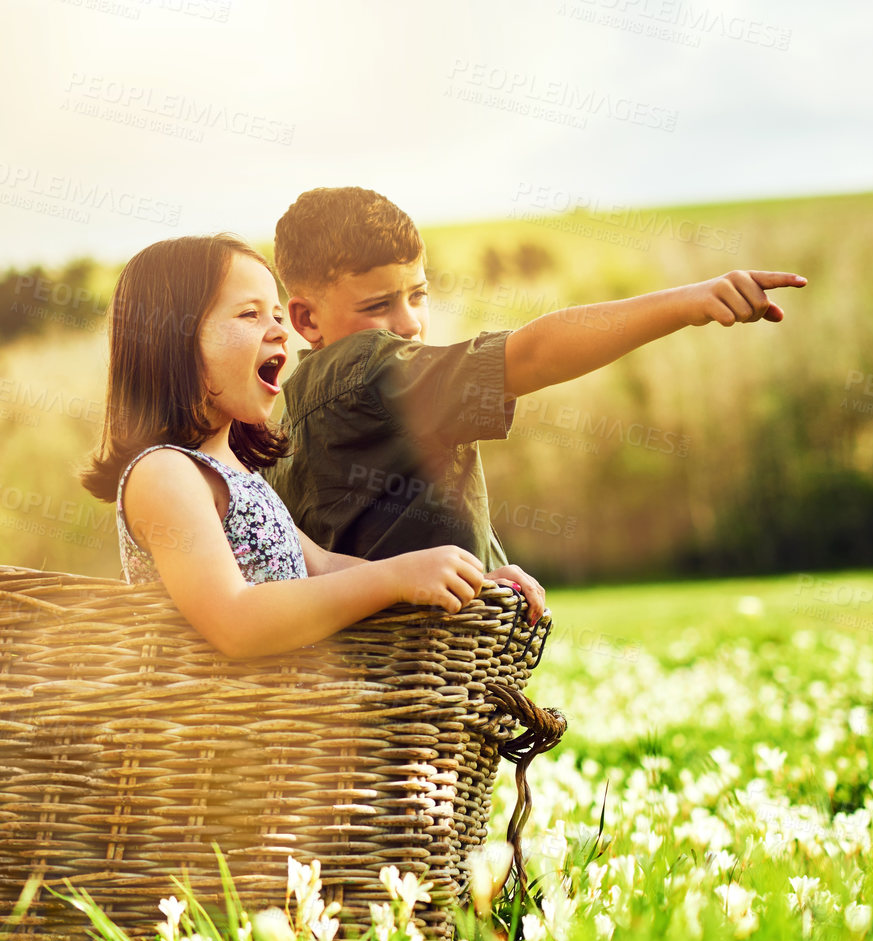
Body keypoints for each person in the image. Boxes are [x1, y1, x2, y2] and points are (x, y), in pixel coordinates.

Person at [264, 186, 807, 568]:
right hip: (411, 670)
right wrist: (688, 302)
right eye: (378, 305)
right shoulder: (371, 372)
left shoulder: (292, 406)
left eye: (418, 294)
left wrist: (493, 569)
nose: (407, 322)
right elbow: (532, 356)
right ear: (306, 319)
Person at [77, 233, 545, 662]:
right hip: (212, 742)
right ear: (171, 338)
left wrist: (471, 583)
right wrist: (394, 577)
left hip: (283, 737)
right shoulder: (165, 473)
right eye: (249, 314)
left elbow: (320, 565)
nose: (280, 331)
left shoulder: (238, 474)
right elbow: (235, 622)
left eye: (278, 315)